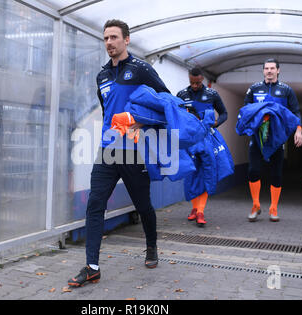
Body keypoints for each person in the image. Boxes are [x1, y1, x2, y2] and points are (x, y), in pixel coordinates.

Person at [68, 19, 170, 287]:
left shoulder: (141, 70)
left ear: (126, 39)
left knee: (143, 205)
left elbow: (167, 103)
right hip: (107, 150)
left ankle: (151, 246)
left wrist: (141, 120)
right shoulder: (102, 75)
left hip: (134, 152)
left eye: (114, 37)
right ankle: (92, 266)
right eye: (106, 38)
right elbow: (107, 110)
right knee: (95, 204)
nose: (109, 43)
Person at [244, 58, 302, 222]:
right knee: (253, 171)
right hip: (257, 137)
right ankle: (255, 205)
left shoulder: (286, 90)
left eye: (272, 68)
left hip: (278, 138)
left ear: (278, 70)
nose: (269, 71)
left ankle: (273, 208)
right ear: (263, 71)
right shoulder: (254, 88)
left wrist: (299, 130)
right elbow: (246, 110)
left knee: (276, 174)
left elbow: (296, 112)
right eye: (266, 68)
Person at [176, 67, 228, 226]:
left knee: (207, 171)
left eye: (198, 83)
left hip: (207, 138)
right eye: (192, 82)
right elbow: (176, 115)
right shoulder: (182, 95)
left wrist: (215, 124)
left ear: (203, 80)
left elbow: (224, 113)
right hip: (189, 140)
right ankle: (194, 207)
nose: (195, 85)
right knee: (191, 172)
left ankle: (200, 211)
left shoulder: (212, 94)